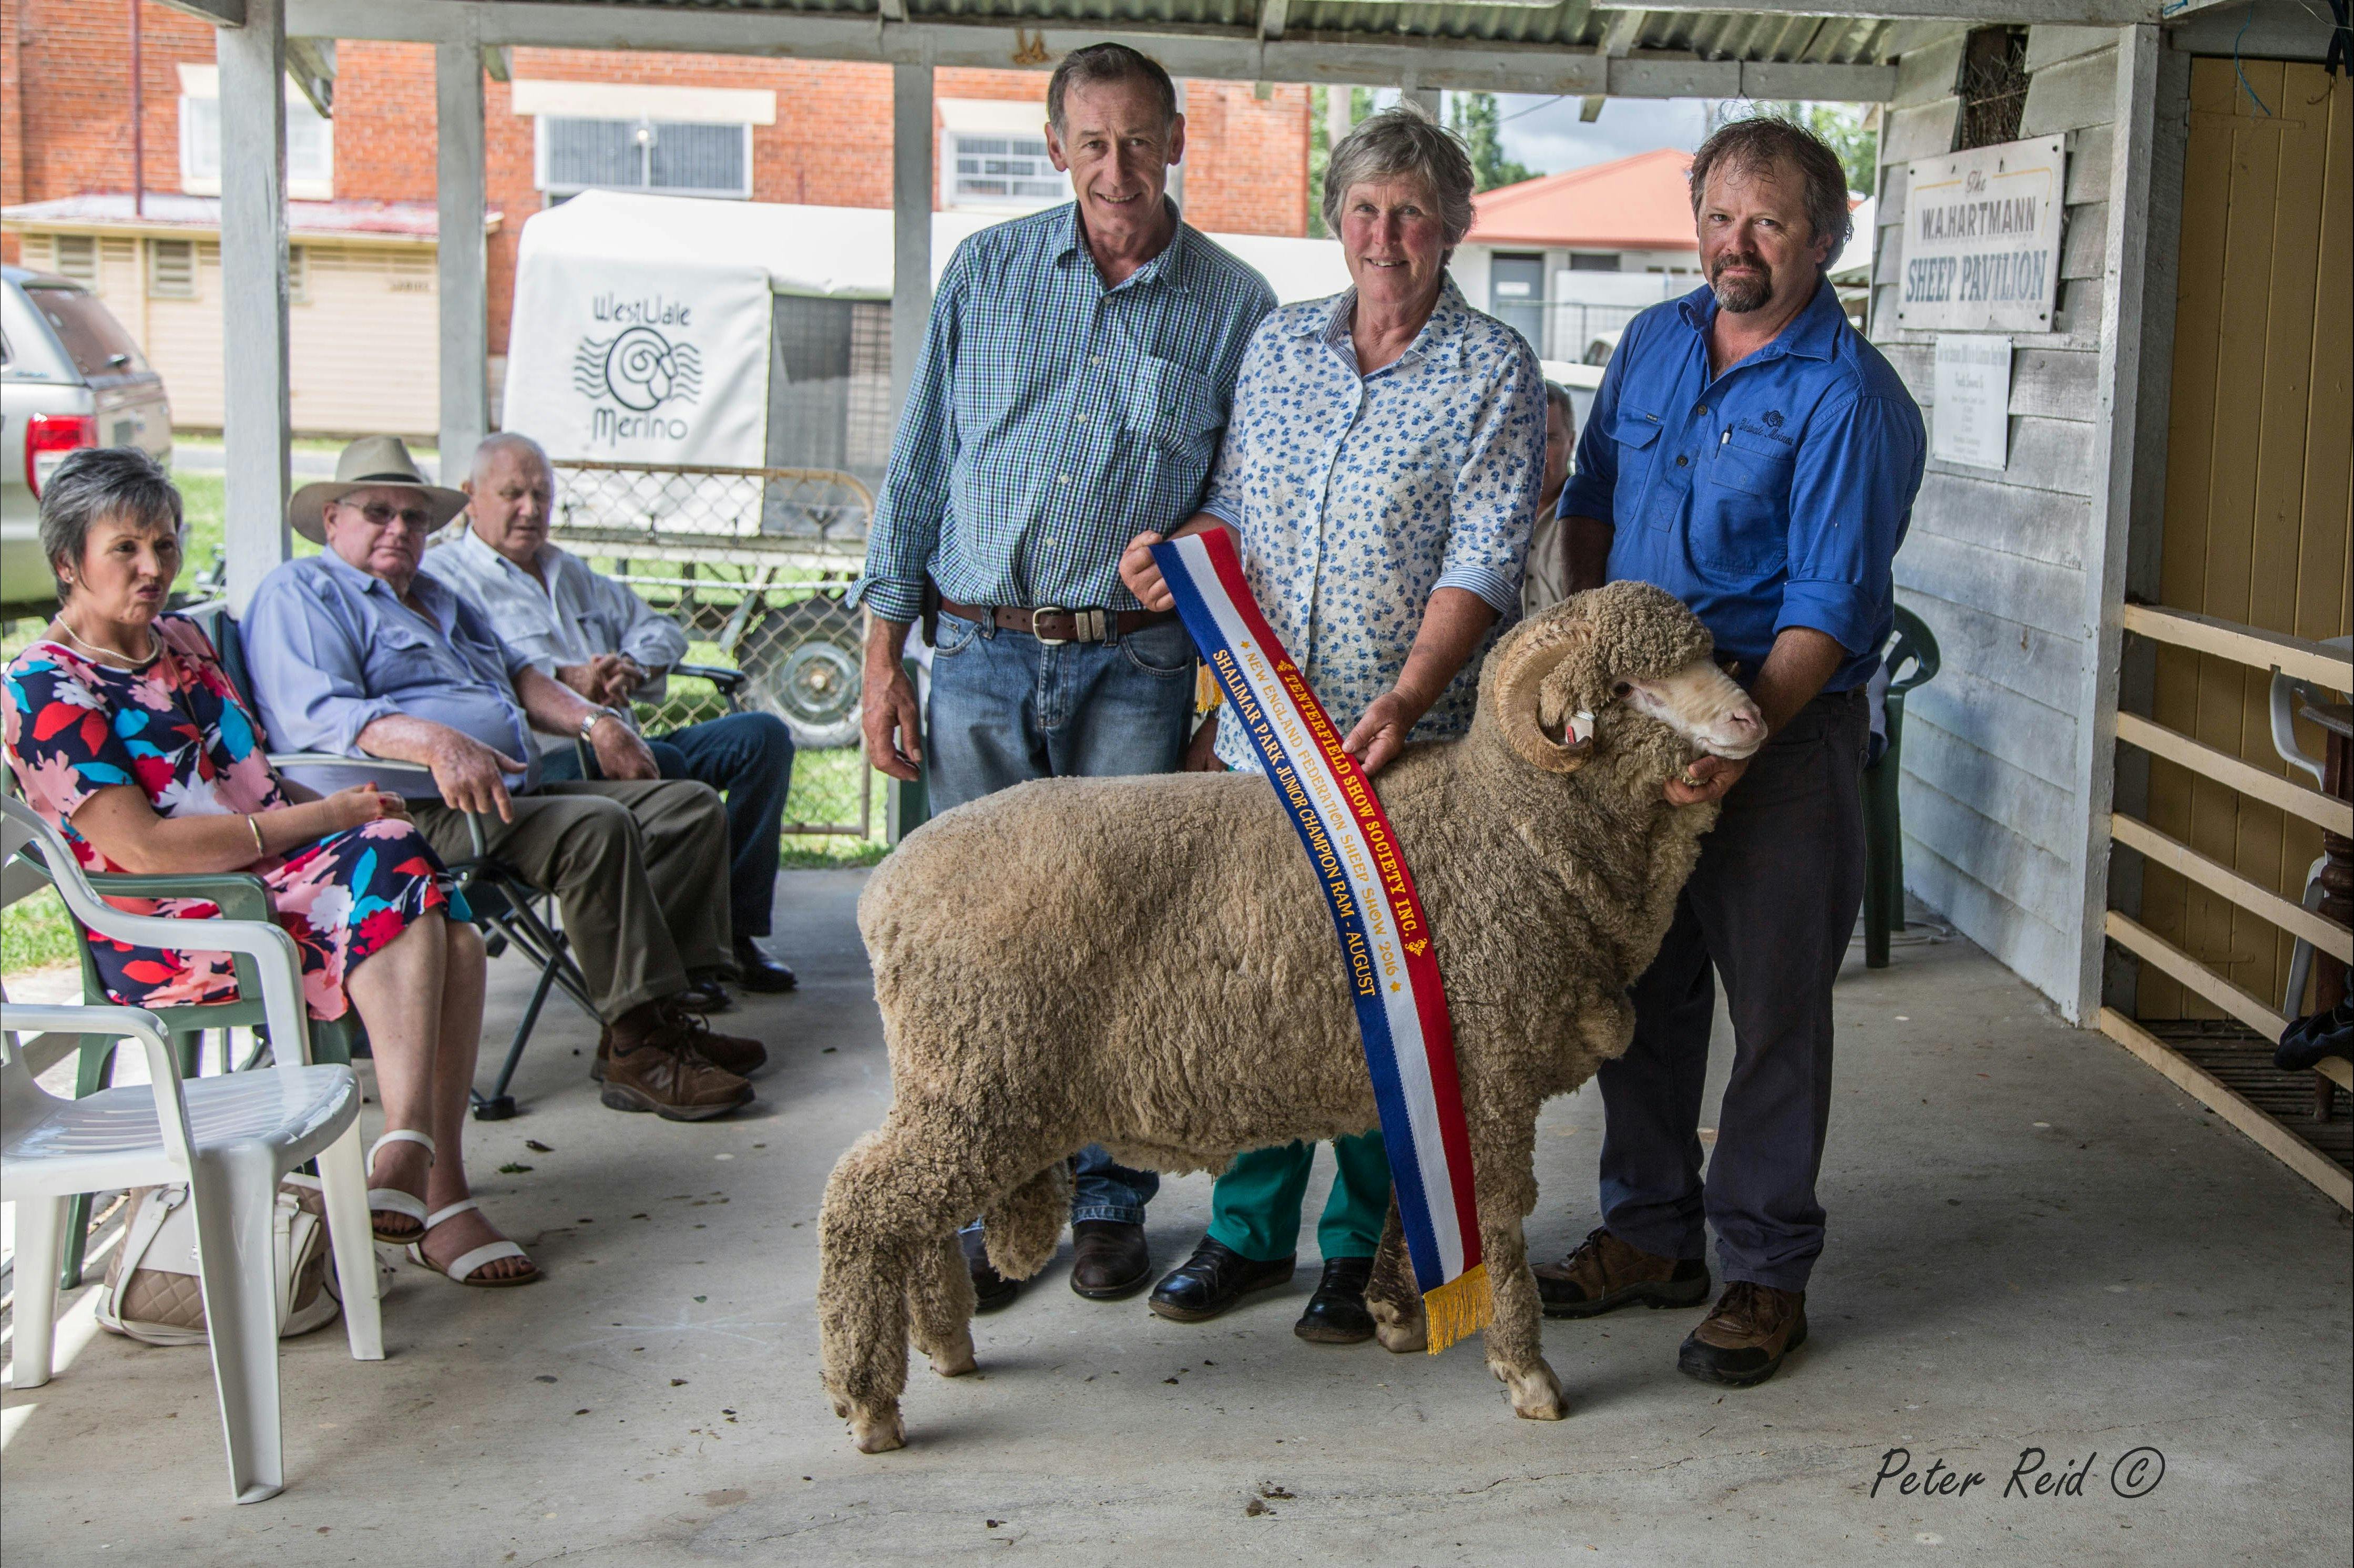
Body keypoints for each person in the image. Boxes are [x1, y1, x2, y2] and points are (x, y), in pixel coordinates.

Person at [855, 42, 1277, 1312]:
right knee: (982, 943)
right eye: (1091, 142)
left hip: (1135, 667)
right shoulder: (985, 274)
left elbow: (1236, 492)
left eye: (1139, 140)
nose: (1116, 167)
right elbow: (919, 462)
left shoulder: (1232, 301)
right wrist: (885, 651)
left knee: (1116, 940)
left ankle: (1105, 1200)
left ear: (1176, 142)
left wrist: (1196, 547)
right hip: (977, 649)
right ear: (1053, 147)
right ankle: (996, 1201)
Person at [1121, 105, 1544, 1343]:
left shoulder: (1491, 370)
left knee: (1383, 986)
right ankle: (1247, 1232)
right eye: (1364, 209)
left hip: (1402, 748)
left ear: (1454, 226)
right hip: (1260, 741)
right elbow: (1231, 507)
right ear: (1335, 221)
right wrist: (1178, 561)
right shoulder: (1275, 347)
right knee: (1262, 984)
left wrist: (1408, 694)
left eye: (1411, 211)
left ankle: (1357, 1244)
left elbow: (1486, 554)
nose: (1385, 235)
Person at [1537, 116, 1924, 1387]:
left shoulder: (1847, 400)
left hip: (1783, 742)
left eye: (1766, 222)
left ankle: (1762, 1271)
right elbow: (1588, 503)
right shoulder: (1650, 343)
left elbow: (1827, 605)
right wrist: (1593, 656)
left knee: (1772, 1019)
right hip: (1637, 742)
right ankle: (1650, 1232)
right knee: (1640, 998)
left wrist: (1734, 740)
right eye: (1715, 218)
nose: (1734, 246)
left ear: (1825, 236)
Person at [2, 447, 535, 1286]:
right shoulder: (45, 685)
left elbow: (247, 773)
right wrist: (331, 815)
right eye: (126, 549)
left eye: (167, 545)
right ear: (69, 562)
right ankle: (432, 1177)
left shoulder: (176, 640)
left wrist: (338, 817)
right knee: (408, 877)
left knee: (443, 921)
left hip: (269, 880)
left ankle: (413, 1158)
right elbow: (143, 848)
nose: (154, 568)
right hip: (170, 921)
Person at [243, 436, 767, 1123]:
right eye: (379, 512)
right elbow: (319, 711)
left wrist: (595, 725)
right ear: (334, 518)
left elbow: (521, 674)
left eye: (413, 517)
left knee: (686, 806)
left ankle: (661, 1010)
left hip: (501, 791)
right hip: (406, 811)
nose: (399, 529)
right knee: (597, 828)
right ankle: (638, 1049)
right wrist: (436, 741)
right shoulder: (303, 593)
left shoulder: (435, 593)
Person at [419, 432, 799, 995]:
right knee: (668, 765)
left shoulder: (566, 570)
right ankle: (675, 960)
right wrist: (568, 679)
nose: (531, 510)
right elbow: (480, 680)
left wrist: (632, 667)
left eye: (542, 495)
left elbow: (661, 628)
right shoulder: (445, 580)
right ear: (470, 496)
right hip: (545, 764)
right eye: (512, 494)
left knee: (762, 736)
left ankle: (735, 933)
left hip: (626, 739)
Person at [1520, 381, 1580, 618]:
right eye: (1528, 437)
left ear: (1571, 443)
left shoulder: (1591, 519)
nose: (1537, 451)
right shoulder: (1488, 517)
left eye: (1550, 438)